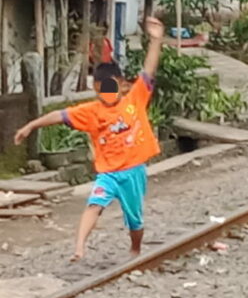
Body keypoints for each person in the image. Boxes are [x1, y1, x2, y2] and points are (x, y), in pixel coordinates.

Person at [14, 18, 165, 262]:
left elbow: (148, 70)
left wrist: (156, 39)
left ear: (122, 86)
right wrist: (31, 125)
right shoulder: (91, 111)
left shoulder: (134, 99)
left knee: (134, 219)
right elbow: (59, 115)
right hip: (108, 173)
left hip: (133, 171)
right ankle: (79, 248)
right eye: (100, 88)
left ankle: (135, 248)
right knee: (94, 205)